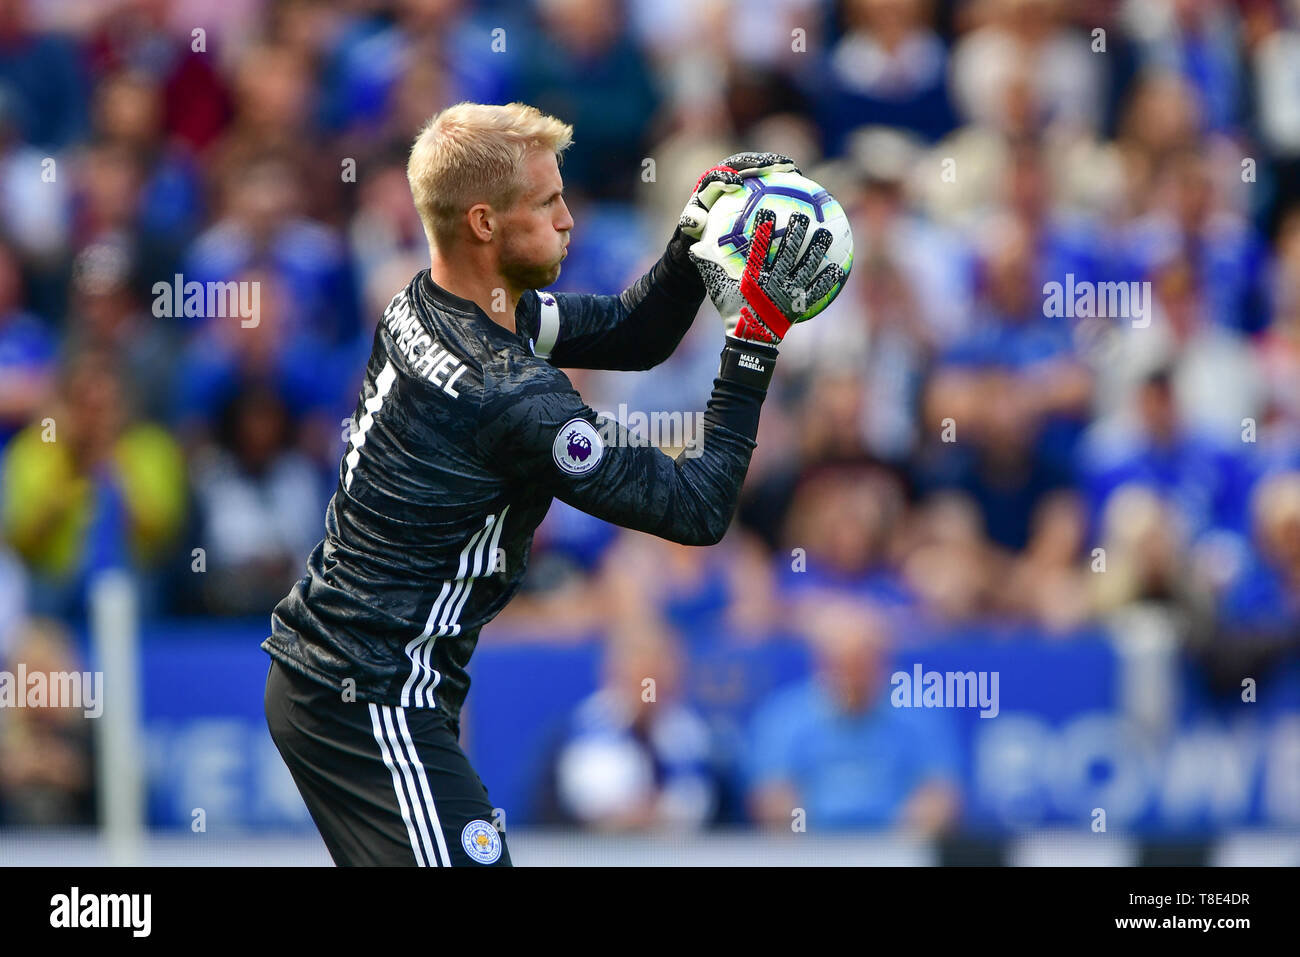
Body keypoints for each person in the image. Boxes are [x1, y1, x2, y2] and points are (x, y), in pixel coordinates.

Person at [262, 101, 841, 866]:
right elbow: (700, 508)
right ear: (482, 223)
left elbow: (636, 335)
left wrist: (694, 242)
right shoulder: (509, 395)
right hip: (367, 695)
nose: (571, 220)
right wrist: (757, 338)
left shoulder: (438, 303)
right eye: (548, 203)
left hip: (338, 679)